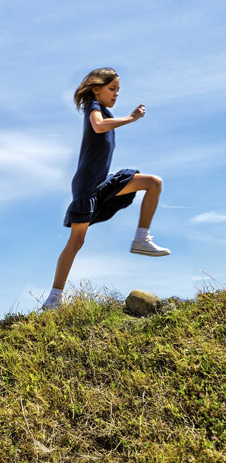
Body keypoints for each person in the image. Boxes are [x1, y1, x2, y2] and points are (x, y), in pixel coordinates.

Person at [43, 68, 169, 310]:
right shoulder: (94, 108)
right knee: (77, 241)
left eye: (118, 90)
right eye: (112, 89)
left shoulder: (105, 111)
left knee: (154, 183)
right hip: (87, 185)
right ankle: (54, 299)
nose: (116, 94)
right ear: (96, 89)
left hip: (102, 182)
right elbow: (99, 127)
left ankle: (141, 239)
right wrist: (131, 119)